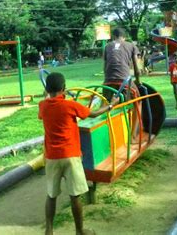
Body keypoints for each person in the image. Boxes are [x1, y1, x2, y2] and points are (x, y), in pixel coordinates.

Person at [39, 72, 118, 235]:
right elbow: (94, 113)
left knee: (51, 195)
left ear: (47, 89)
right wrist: (111, 105)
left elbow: (45, 107)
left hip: (52, 156)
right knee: (75, 196)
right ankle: (80, 231)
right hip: (70, 155)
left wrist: (48, 95)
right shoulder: (70, 106)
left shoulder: (43, 106)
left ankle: (49, 230)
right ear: (64, 88)